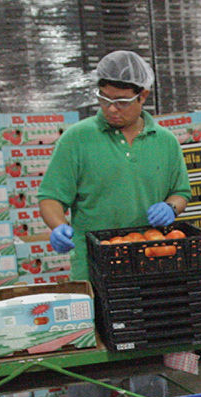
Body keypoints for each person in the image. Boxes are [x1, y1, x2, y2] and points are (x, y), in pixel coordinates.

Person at [38, 51, 191, 281]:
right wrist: (58, 226)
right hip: (95, 268)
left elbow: (180, 192)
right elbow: (51, 197)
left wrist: (171, 207)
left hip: (151, 262)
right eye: (104, 99)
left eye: (121, 102)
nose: (111, 109)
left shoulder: (165, 141)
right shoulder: (77, 138)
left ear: (143, 96)